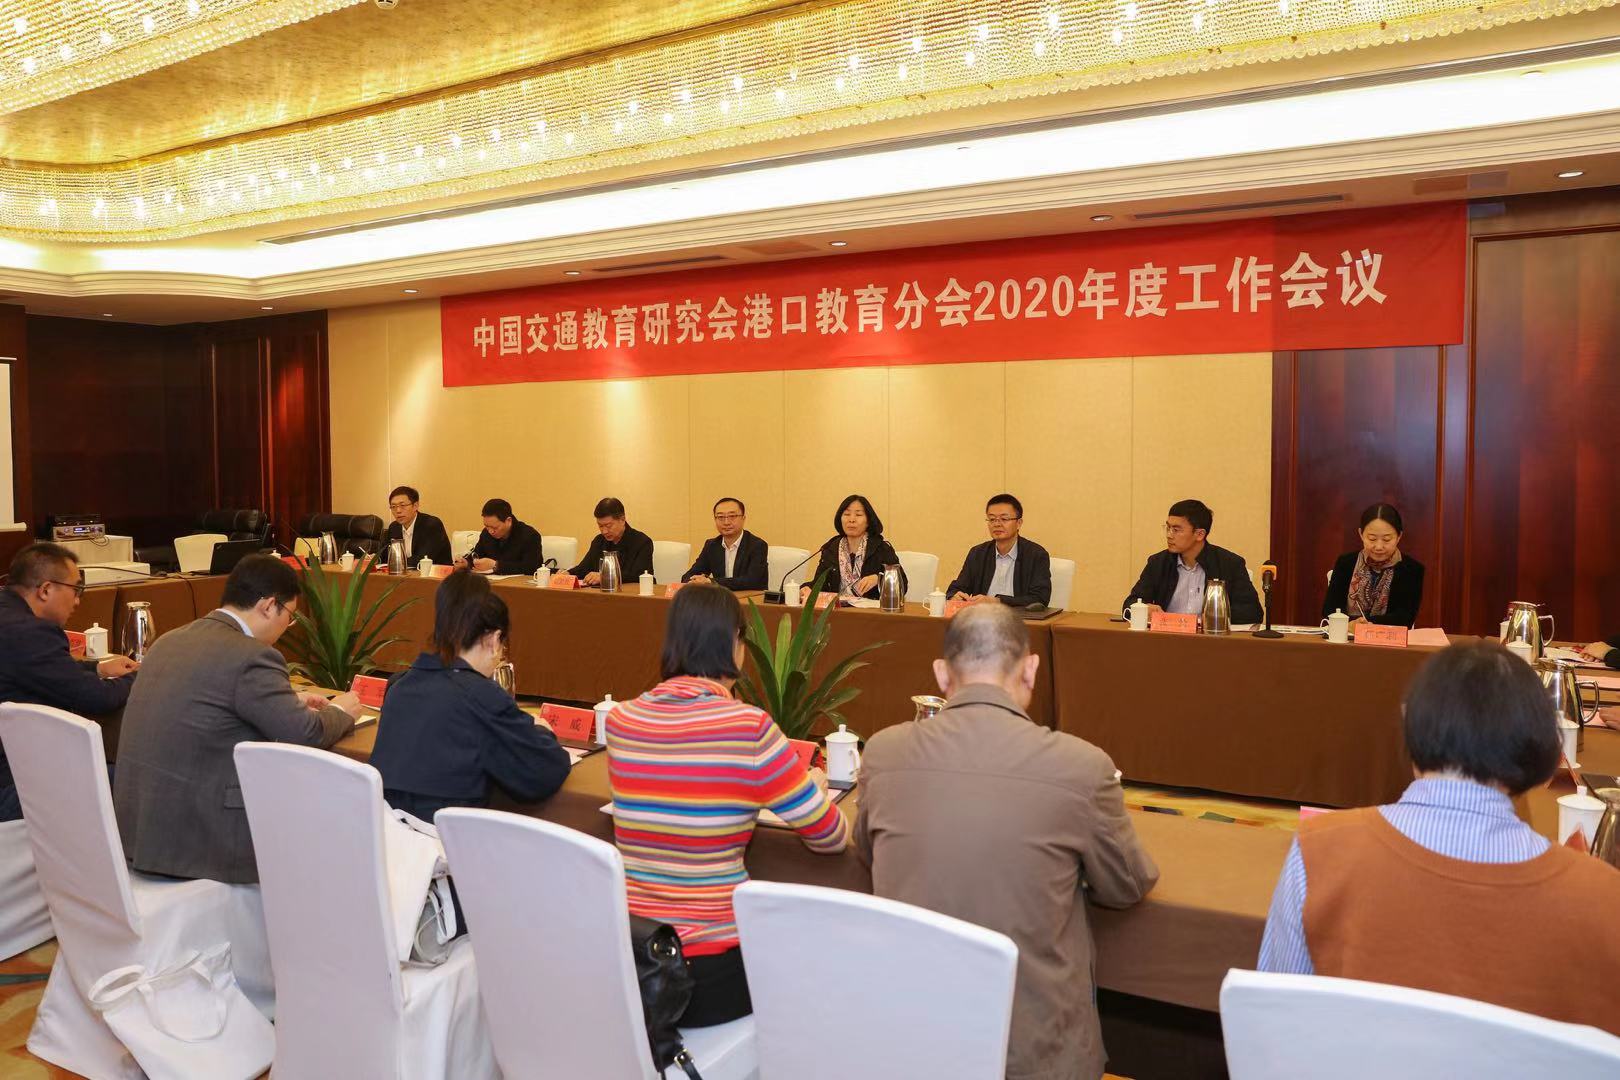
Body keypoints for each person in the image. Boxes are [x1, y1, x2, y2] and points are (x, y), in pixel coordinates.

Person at [855, 604, 1158, 1080]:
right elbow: (1126, 885)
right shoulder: (1082, 766)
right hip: (1034, 1053)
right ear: (1031, 670)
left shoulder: (882, 752)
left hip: (911, 1043)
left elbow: (867, 853)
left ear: (941, 675)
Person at [1258, 641, 1620, 1036]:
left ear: (1409, 723)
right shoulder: (1601, 895)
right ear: (1545, 747)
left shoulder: (1318, 852)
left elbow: (1273, 1026)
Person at [607, 585, 848, 1026]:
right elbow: (831, 836)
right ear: (735, 644)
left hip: (632, 962)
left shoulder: (622, 720)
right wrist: (810, 785)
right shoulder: (748, 728)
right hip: (707, 975)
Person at [113, 555, 361, 883]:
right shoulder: (253, 655)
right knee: (327, 825)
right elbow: (306, 733)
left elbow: (214, 700)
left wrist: (287, 700)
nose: (286, 628)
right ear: (269, 606)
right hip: (200, 840)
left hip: (139, 831)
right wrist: (341, 710)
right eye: (290, 617)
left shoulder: (170, 640)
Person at [370, 570, 570, 820]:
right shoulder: (481, 696)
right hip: (443, 838)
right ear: (494, 639)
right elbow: (542, 773)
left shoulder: (399, 686)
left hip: (387, 833)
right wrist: (541, 730)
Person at [0, 543, 140, 821]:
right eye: (76, 589)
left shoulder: (8, 615)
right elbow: (97, 698)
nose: (77, 601)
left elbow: (32, 667)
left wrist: (98, 667)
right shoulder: (30, 631)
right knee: (140, 780)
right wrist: (142, 675)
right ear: (46, 589)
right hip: (14, 787)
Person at [1121, 498, 1263, 624]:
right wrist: (1144, 608)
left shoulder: (1229, 564)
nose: (1169, 535)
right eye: (1168, 528)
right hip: (1166, 639)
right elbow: (1129, 604)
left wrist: (1207, 618)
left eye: (1176, 530)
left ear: (1199, 534)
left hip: (1210, 640)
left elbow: (1252, 612)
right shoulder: (1158, 563)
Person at [1322, 503, 1425, 627]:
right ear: (1361, 534)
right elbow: (1330, 610)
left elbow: (1404, 618)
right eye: (1372, 539)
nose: (1379, 546)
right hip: (1348, 635)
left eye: (1386, 539)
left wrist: (1367, 624)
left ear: (1399, 537)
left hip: (1389, 638)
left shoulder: (1412, 569)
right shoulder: (1346, 563)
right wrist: (1352, 625)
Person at [946, 493, 1053, 607]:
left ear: (1019, 523)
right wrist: (954, 596)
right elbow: (957, 588)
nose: (997, 524)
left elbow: (1040, 598)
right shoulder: (978, 553)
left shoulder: (1036, 555)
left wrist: (997, 601)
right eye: (992, 519)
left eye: (1004, 519)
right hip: (981, 616)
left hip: (1020, 617)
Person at [801, 494, 907, 602]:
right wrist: (806, 589)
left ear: (868, 521)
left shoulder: (881, 548)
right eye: (847, 514)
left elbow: (902, 585)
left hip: (871, 610)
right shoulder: (831, 549)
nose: (851, 520)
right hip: (837, 609)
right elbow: (819, 584)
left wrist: (879, 579)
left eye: (858, 515)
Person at [682, 497, 768, 591]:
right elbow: (689, 575)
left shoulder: (757, 545)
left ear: (743, 518)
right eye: (721, 517)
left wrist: (711, 582)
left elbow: (752, 581)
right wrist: (693, 581)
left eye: (732, 516)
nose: (726, 522)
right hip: (721, 598)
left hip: (751, 598)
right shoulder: (712, 545)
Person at [569, 497, 654, 585]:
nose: (604, 531)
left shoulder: (642, 542)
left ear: (622, 519)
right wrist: (567, 574)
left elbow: (639, 576)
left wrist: (605, 577)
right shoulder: (599, 541)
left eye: (608, 526)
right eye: (600, 526)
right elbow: (583, 568)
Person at [384, 485, 453, 565]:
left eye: (402, 505)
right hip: (405, 572)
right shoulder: (394, 527)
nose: (398, 510)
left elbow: (423, 559)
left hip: (435, 572)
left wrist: (395, 563)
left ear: (415, 506)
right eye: (393, 507)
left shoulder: (431, 525)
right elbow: (386, 556)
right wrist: (376, 559)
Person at [471, 498, 543, 575]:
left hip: (521, 581)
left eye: (495, 528)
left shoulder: (530, 536)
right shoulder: (486, 533)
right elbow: (477, 555)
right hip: (492, 580)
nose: (490, 531)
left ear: (508, 521)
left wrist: (496, 565)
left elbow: (530, 568)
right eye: (487, 526)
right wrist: (466, 563)